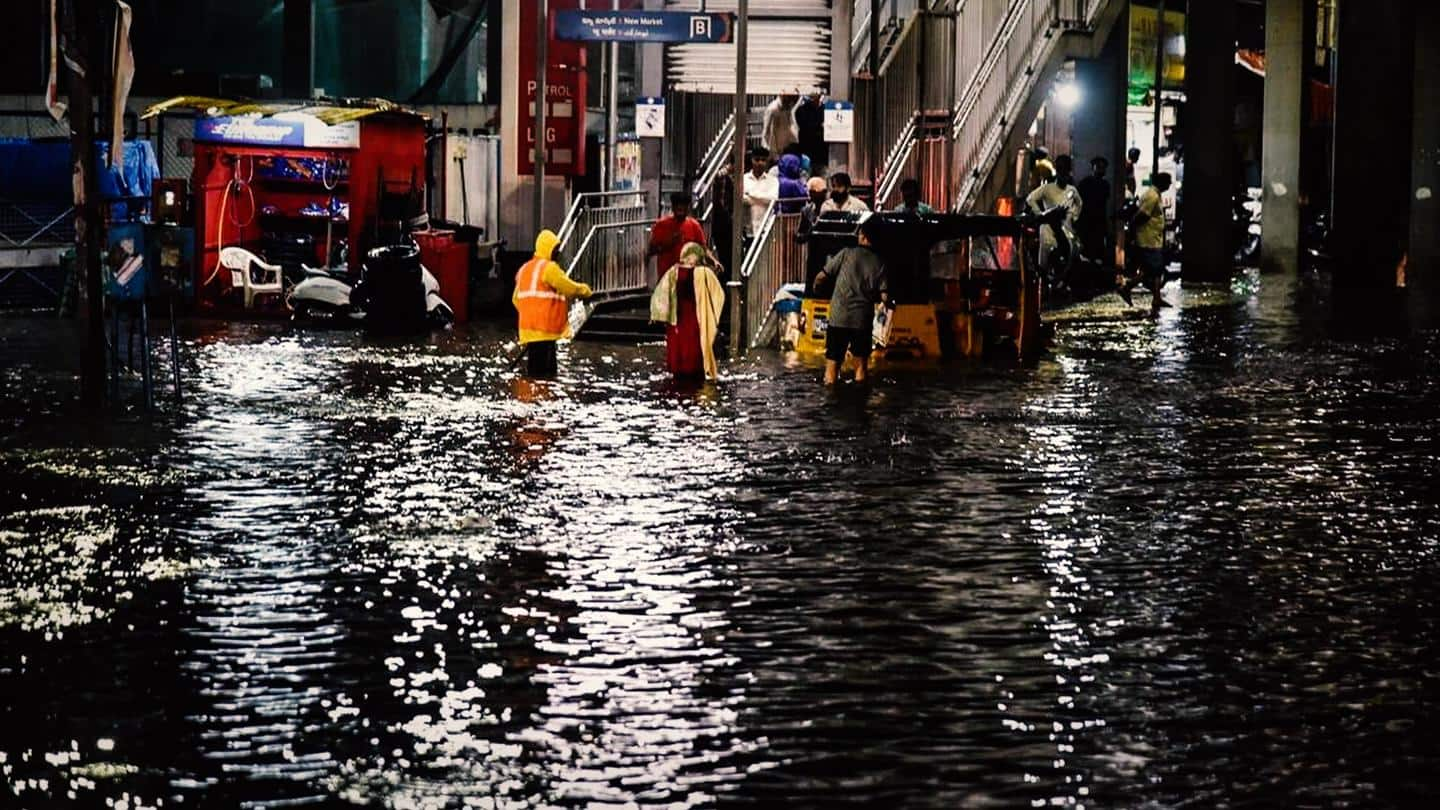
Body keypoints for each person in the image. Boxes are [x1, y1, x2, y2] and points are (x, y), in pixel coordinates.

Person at [814, 218, 891, 385]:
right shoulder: (879, 263)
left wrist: (817, 290)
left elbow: (821, 277)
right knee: (861, 369)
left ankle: (831, 403)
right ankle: (859, 404)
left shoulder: (846, 254)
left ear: (863, 236)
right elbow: (885, 296)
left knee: (832, 367)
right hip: (862, 320)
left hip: (838, 317)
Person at [513, 229, 593, 377]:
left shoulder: (524, 269)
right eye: (556, 249)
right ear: (547, 249)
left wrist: (531, 314)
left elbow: (516, 299)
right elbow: (567, 287)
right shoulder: (549, 268)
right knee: (547, 375)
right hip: (544, 332)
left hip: (529, 333)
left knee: (534, 374)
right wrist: (585, 291)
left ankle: (532, 397)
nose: (558, 253)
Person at [651, 242, 726, 381]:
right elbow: (718, 293)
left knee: (679, 345)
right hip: (696, 316)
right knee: (696, 344)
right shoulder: (704, 272)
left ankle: (679, 370)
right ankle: (697, 371)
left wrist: (660, 315)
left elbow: (660, 294)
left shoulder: (673, 271)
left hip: (677, 317)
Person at [1025, 154, 1082, 272]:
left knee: (1069, 257)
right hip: (1048, 229)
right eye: (1061, 169)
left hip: (1066, 228)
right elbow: (1030, 199)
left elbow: (1079, 203)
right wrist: (1040, 214)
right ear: (1057, 170)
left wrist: (1074, 217)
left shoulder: (1071, 190)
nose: (1063, 173)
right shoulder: (1047, 188)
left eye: (1066, 169)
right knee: (1045, 261)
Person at [1129, 172, 1172, 315]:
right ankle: (1127, 287)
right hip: (1148, 238)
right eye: (1168, 182)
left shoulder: (1155, 195)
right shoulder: (1152, 196)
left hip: (1154, 238)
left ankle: (1157, 298)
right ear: (1162, 183)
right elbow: (1142, 215)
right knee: (1151, 269)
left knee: (1156, 268)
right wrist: (1133, 229)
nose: (1170, 185)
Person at [648, 192, 708, 286]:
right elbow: (651, 250)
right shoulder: (661, 225)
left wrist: (714, 261)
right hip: (667, 280)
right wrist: (668, 243)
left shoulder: (694, 225)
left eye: (683, 205)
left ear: (688, 207)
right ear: (673, 207)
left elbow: (703, 249)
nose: (680, 209)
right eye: (677, 205)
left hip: (688, 281)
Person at [796, 176, 831, 293]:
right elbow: (800, 234)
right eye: (813, 192)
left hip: (830, 254)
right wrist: (808, 233)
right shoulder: (807, 210)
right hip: (814, 254)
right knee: (811, 286)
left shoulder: (831, 210)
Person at [1076, 156, 1111, 264]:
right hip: (1087, 221)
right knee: (1087, 253)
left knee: (1097, 253)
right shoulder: (1085, 183)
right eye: (1099, 167)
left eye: (1103, 167)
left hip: (1098, 222)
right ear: (1093, 168)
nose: (1101, 170)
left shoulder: (1105, 185)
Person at [742, 146, 779, 238]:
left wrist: (750, 195)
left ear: (767, 162)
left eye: (763, 160)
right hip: (748, 229)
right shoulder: (743, 179)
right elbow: (741, 199)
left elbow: (772, 199)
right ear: (752, 160)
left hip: (766, 229)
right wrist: (763, 198)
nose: (760, 163)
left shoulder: (773, 180)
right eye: (757, 159)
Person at [795, 92, 828, 175]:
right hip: (806, 154)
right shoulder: (801, 110)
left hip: (822, 155)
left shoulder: (825, 109)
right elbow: (805, 127)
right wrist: (820, 125)